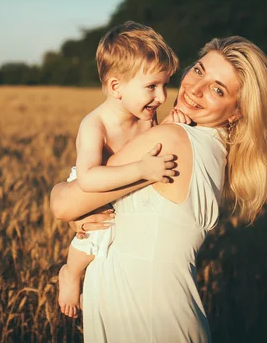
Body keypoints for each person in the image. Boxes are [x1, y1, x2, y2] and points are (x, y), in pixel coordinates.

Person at [51, 36, 267, 342]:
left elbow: (64, 204)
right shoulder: (212, 148)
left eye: (218, 90)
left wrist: (77, 211)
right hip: (160, 316)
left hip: (142, 322)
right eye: (199, 71)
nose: (195, 89)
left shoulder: (171, 139)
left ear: (237, 111)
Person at [58, 21, 184, 319]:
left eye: (165, 85)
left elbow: (151, 147)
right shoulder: (95, 124)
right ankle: (71, 274)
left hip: (129, 180)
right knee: (95, 233)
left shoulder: (145, 114)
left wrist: (171, 127)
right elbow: (88, 178)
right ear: (116, 87)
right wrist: (142, 168)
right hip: (96, 183)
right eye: (152, 87)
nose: (162, 97)